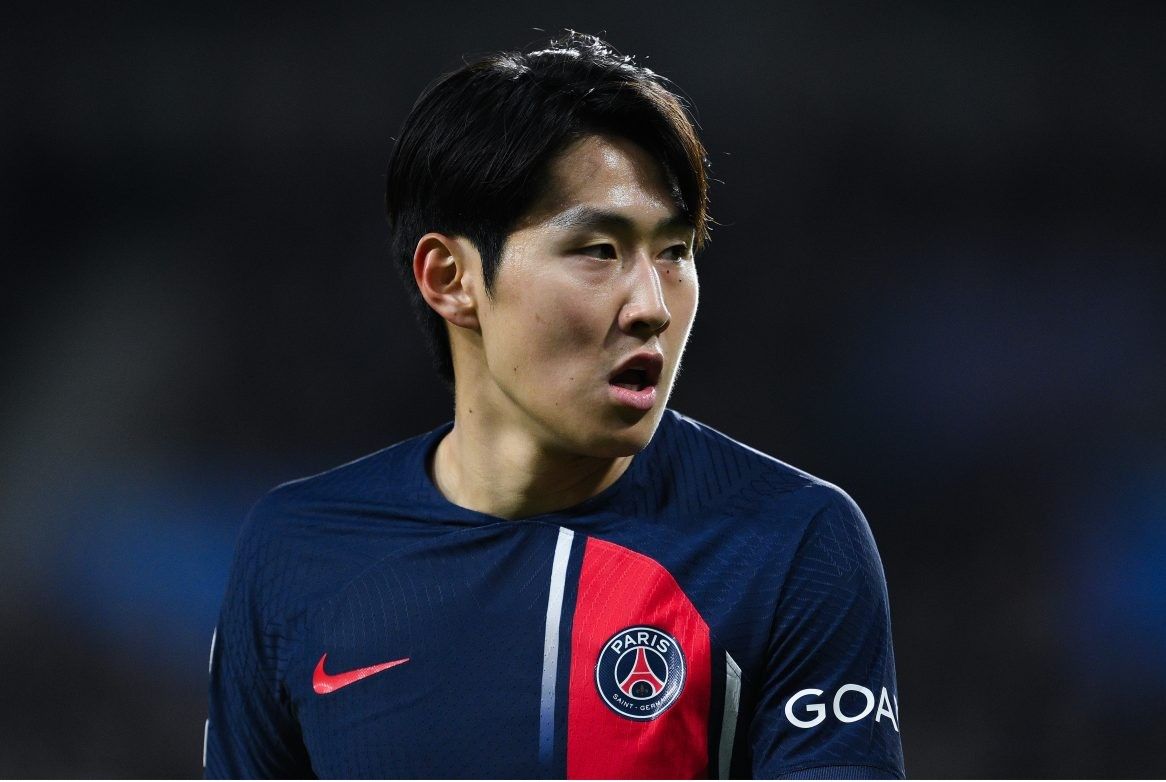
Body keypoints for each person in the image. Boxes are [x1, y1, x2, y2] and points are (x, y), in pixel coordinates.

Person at [205, 32, 904, 779]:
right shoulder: (294, 551)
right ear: (450, 279)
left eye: (674, 252)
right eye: (599, 250)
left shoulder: (788, 541)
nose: (652, 306)